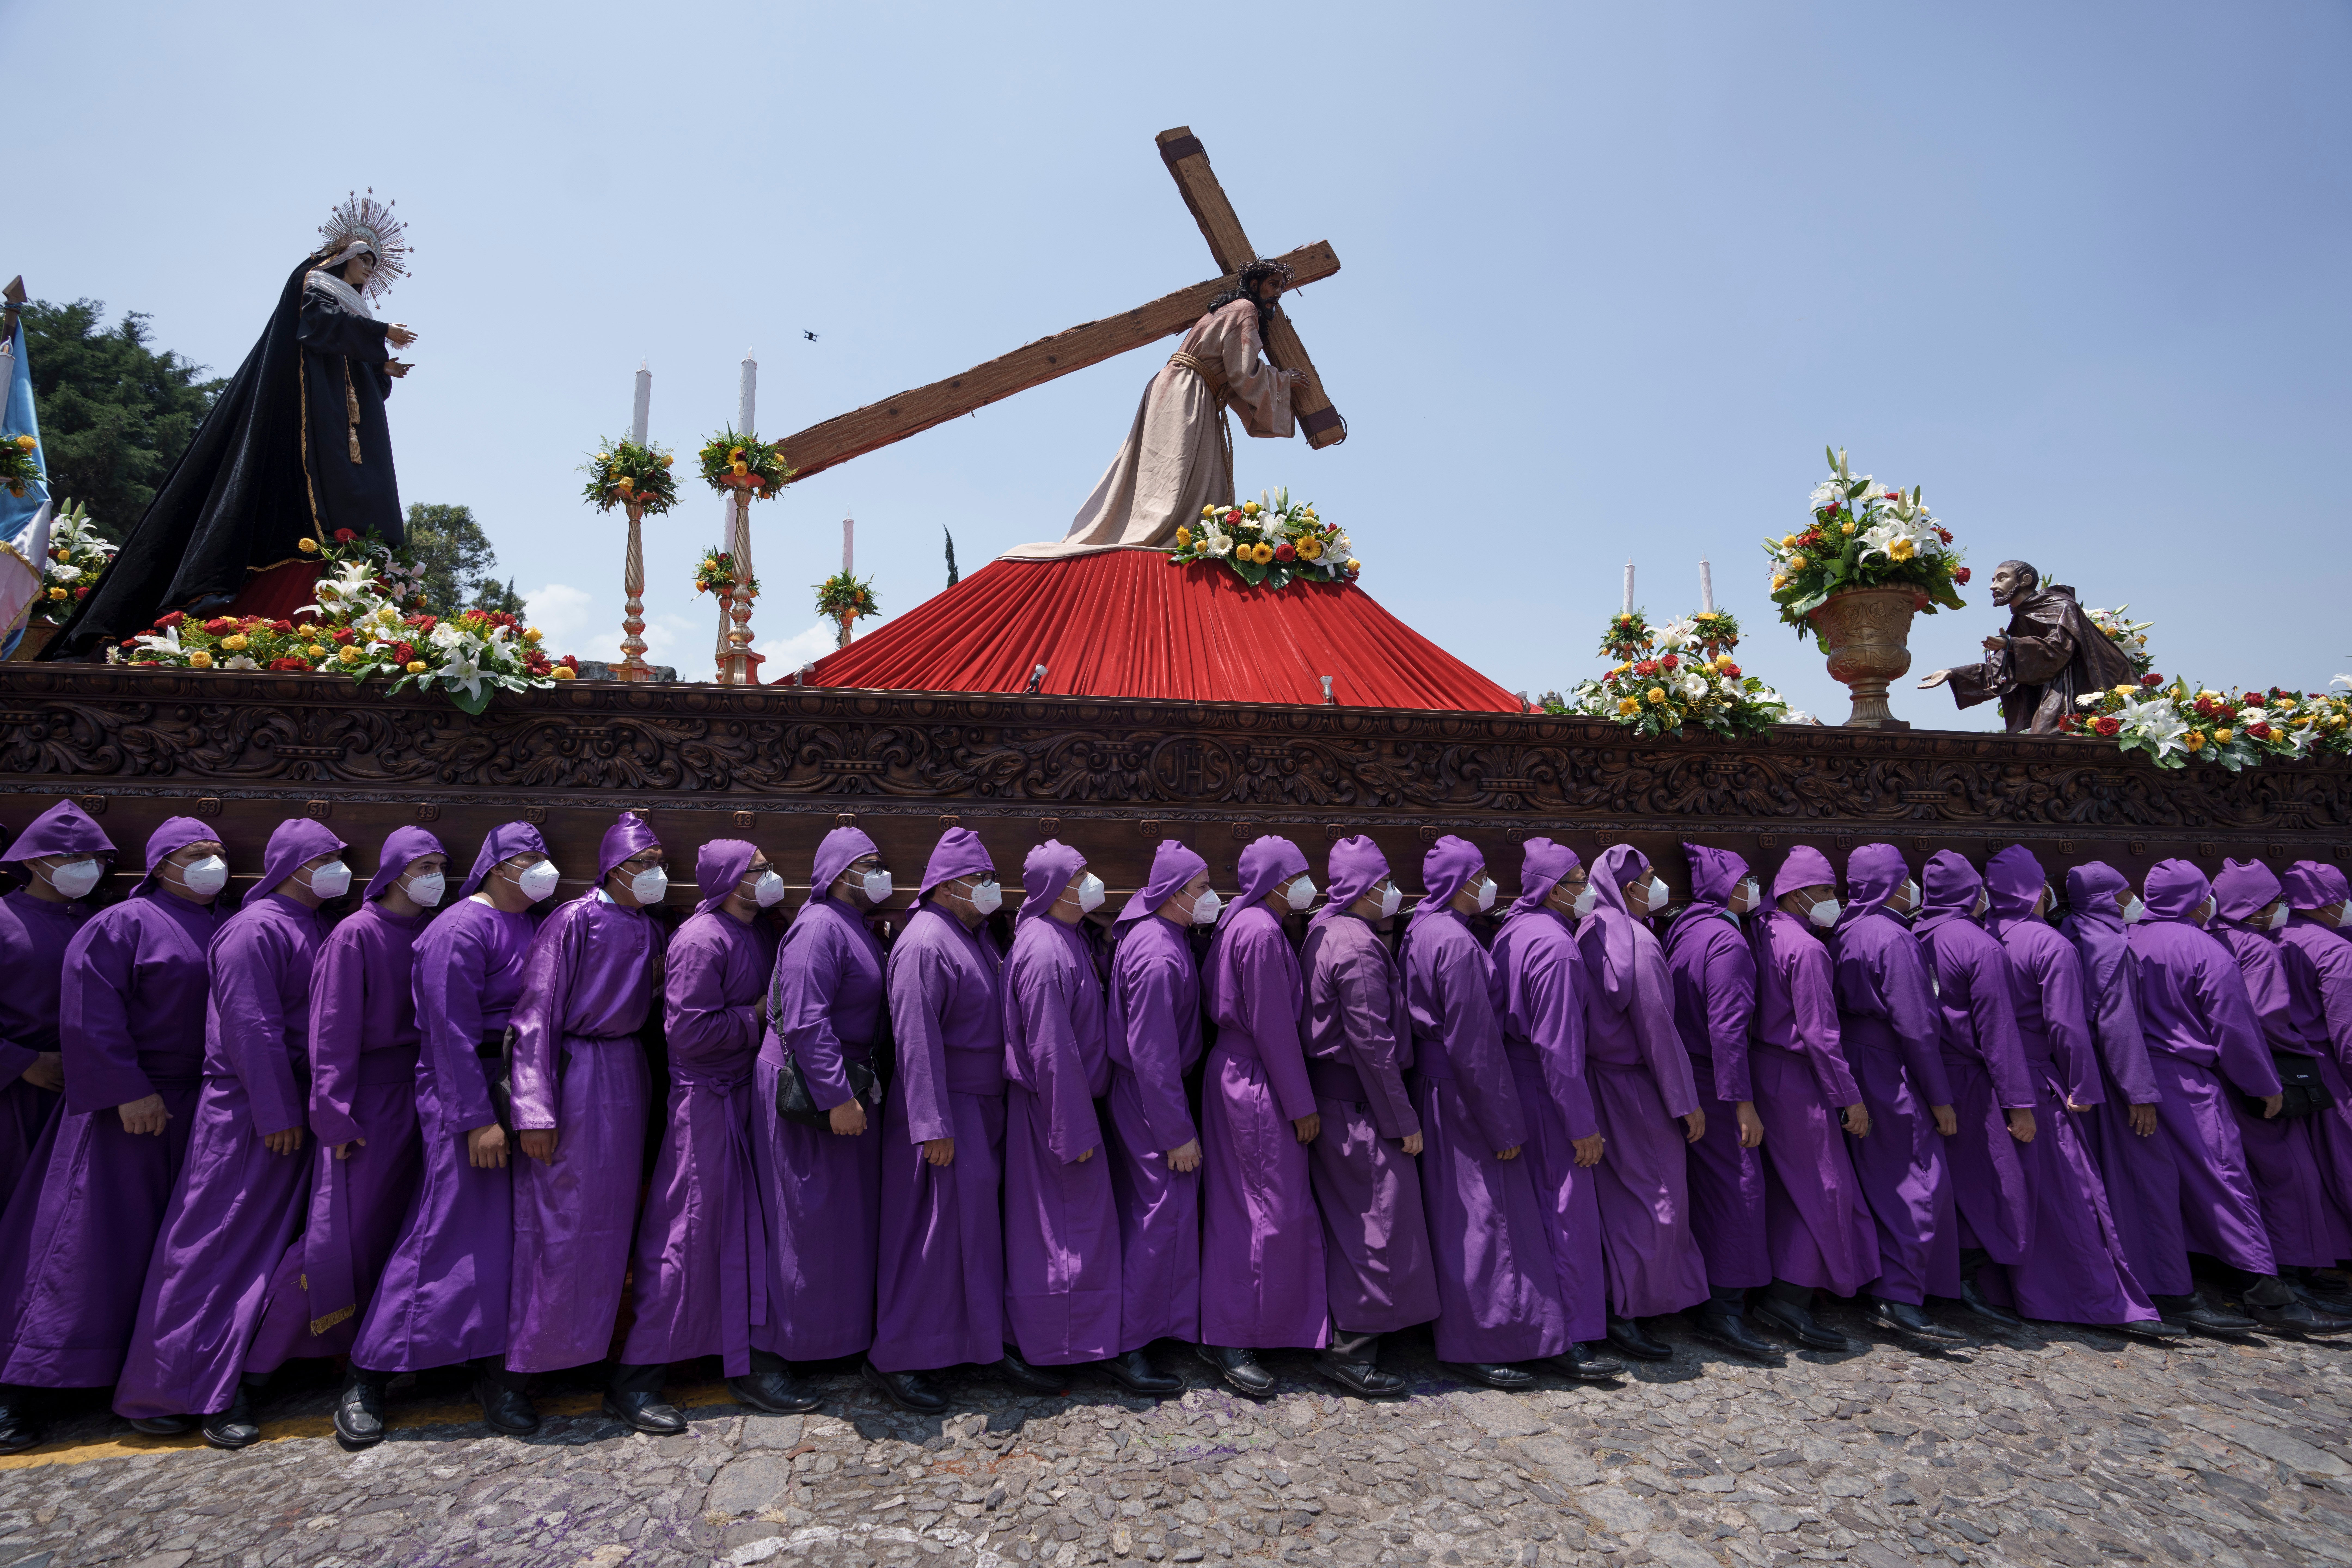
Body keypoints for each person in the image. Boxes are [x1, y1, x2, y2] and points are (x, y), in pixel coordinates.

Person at [49, 195, 419, 656]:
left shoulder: (354, 310)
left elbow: (344, 357)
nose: (370, 267)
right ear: (343, 255)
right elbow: (316, 327)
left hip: (348, 424)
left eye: (375, 261)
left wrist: (379, 368)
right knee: (319, 494)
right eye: (365, 257)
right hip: (308, 422)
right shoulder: (316, 284)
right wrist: (380, 333)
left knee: (364, 494)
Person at [114, 816, 350, 1448]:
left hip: (295, 1102)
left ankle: (231, 1378)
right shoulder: (253, 929)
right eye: (327, 857)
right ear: (298, 865)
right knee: (212, 1247)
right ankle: (169, 1388)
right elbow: (251, 1029)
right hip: (249, 1111)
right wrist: (276, 1112)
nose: (339, 867)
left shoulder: (316, 923)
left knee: (266, 1251)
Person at [0, 818, 222, 1455]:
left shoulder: (224, 920)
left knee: (166, 1247)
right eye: (195, 854)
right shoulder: (121, 923)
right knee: (81, 1244)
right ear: (161, 863)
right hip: (126, 1104)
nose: (210, 862)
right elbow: (90, 1011)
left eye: (217, 853)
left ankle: (137, 1375)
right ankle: (19, 1385)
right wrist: (126, 1088)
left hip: (196, 1102)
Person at [343, 824, 559, 1445]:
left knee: (510, 1239)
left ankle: (495, 1368)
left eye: (544, 858)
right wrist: (476, 1119)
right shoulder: (461, 927)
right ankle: (370, 1372)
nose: (539, 868)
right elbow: (447, 1032)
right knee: (443, 1229)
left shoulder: (536, 924)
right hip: (468, 1087)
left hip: (522, 1082)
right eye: (527, 859)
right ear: (496, 866)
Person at [615, 839, 821, 1421]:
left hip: (742, 1099)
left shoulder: (756, 932)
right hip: (704, 1106)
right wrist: (753, 1017)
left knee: (748, 1236)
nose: (772, 877)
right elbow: (687, 1032)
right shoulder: (700, 940)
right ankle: (637, 1378)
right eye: (762, 870)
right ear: (734, 880)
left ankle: (748, 1362)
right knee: (687, 1236)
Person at [867, 828, 1062, 1410]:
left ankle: (978, 1344)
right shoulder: (926, 943)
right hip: (946, 1108)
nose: (990, 889)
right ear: (950, 886)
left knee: (973, 1232)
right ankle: (899, 1356)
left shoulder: (969, 934)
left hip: (981, 1105)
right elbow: (915, 1040)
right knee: (928, 1236)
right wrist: (931, 1124)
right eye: (980, 880)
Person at [247, 828, 446, 1392]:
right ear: (396, 872)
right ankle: (261, 1365)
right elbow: (330, 1032)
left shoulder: (431, 930)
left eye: (440, 865)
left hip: (418, 1093)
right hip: (367, 1100)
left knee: (400, 1229)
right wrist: (332, 1111)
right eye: (424, 865)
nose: (434, 876)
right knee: (342, 1236)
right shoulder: (354, 934)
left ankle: (370, 1351)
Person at [2127, 860, 2349, 1334]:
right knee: (2226, 1180)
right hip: (2191, 1079)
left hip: (2138, 1077)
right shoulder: (2207, 949)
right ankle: (2267, 1295)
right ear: (2196, 900)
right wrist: (2265, 1085)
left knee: (2163, 1187)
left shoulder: (2130, 941)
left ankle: (2191, 1283)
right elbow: (2236, 1027)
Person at [507, 812, 667, 1428]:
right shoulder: (574, 920)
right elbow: (535, 1015)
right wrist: (534, 1108)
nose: (656, 872)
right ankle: (520, 1371)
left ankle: (588, 1353)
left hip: (627, 1072)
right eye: (646, 861)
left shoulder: (647, 926)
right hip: (576, 1074)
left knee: (610, 1224)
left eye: (660, 861)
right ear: (616, 868)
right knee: (561, 1223)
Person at [1980, 848, 2175, 1339]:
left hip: (1992, 1078)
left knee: (2013, 1193)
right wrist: (2084, 1086)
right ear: (2037, 891)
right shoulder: (2051, 944)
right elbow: (2067, 1026)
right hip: (2043, 1081)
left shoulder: (1984, 934)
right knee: (2073, 1194)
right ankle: (2095, 1299)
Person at [2060, 862, 2255, 1337]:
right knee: (2150, 1187)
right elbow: (2119, 1025)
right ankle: (2169, 1290)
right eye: (2125, 891)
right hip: (2118, 1083)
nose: (2133, 901)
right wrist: (2141, 1093)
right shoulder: (2111, 947)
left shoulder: (2070, 931)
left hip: (2078, 1081)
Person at [1008, 258, 1309, 559]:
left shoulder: (1223, 312)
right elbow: (1243, 371)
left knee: (1177, 469)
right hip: (1189, 392)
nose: (1278, 293)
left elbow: (1231, 376)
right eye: (1273, 285)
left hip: (1177, 388)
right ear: (1254, 285)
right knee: (1174, 470)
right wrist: (1282, 381)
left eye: (1282, 287)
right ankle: (1160, 533)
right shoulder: (1245, 310)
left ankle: (1157, 528)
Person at [1404, 835, 1566, 1390]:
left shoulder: (1423, 928)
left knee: (1458, 1214)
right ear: (1463, 883)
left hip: (1437, 1087)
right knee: (1482, 1219)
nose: (1490, 886)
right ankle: (1484, 1338)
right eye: (1482, 876)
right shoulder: (1455, 941)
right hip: (1463, 1094)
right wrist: (1503, 1123)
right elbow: (1474, 1043)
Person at [1300, 836, 1443, 1396]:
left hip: (1340, 1100)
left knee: (1357, 1222)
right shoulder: (1356, 946)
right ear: (1367, 888)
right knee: (1375, 1224)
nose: (1393, 893)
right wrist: (1401, 1120)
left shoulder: (1324, 929)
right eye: (1385, 883)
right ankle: (1354, 1352)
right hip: (1360, 1105)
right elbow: (1372, 1043)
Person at [753, 825, 889, 1394]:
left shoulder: (852, 925)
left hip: (842, 1080)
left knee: (836, 1224)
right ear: (840, 876)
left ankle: (826, 1340)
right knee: (803, 1223)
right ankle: (775, 1357)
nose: (881, 875)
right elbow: (807, 1022)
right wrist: (837, 1096)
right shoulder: (817, 930)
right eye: (871, 865)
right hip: (812, 1086)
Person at [1486, 840, 1626, 1381]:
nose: (1586, 891)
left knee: (1532, 1213)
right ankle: (1569, 1335)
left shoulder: (1515, 931)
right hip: (1548, 1091)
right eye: (1576, 881)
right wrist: (1582, 1126)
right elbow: (1560, 1050)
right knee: (1565, 1212)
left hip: (1520, 1083)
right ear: (1552, 889)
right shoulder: (1556, 948)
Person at [1199, 835, 1328, 1393]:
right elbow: (1275, 1028)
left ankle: (1256, 1326)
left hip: (1241, 1073)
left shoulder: (1244, 922)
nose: (1307, 885)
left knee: (1249, 1207)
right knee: (1264, 1211)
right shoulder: (1260, 931)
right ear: (1279, 882)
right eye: (1298, 875)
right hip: (1255, 1081)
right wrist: (1301, 1104)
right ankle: (1234, 1335)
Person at [1741, 847, 1879, 1352]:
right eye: (1825, 892)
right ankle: (1789, 1299)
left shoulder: (1765, 930)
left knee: (1789, 1185)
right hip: (1799, 1080)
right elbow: (1821, 1035)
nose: (1834, 901)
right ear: (1798, 895)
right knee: (1823, 1188)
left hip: (1766, 1071)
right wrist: (1850, 1098)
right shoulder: (1809, 950)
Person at [1829, 845, 1966, 1345]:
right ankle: (1900, 1294)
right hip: (1891, 1067)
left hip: (1854, 1060)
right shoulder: (1894, 938)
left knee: (1872, 1177)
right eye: (1906, 879)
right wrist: (1940, 1096)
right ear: (1893, 885)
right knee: (1916, 1179)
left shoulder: (1843, 930)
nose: (1913, 890)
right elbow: (1918, 1025)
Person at [1577, 844, 1708, 1362]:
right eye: (1650, 877)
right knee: (1657, 1198)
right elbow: (1658, 1029)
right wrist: (1685, 1102)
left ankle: (1617, 1302)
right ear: (1630, 887)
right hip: (1637, 1086)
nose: (1657, 885)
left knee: (1615, 1198)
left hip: (1598, 1082)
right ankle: (1635, 1310)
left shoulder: (1590, 929)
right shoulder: (1642, 942)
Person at [1000, 840, 1123, 1378]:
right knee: (1062, 1234)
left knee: (1067, 1231)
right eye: (1082, 876)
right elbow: (1052, 1047)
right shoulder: (1046, 950)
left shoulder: (1062, 937)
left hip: (1060, 1105)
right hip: (1055, 1111)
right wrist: (1072, 1128)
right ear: (1059, 889)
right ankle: (1060, 1347)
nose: (1092, 884)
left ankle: (1072, 1340)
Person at [2207, 859, 2352, 1305]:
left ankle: (2316, 1260)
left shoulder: (2256, 938)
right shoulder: (2333, 949)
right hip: (2317, 1068)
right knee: (2328, 1169)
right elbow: (2345, 1029)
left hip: (2263, 1071)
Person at [1099, 840, 1213, 1396]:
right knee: (1155, 1215)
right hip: (1150, 1098)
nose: (1210, 898)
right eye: (1202, 889)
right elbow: (1153, 1054)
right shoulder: (1159, 954)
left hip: (1149, 1092)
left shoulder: (1160, 937)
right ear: (1174, 894)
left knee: (1159, 1212)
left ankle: (1155, 1327)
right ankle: (1130, 1346)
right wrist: (1176, 1133)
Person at [1656, 845, 1778, 1359]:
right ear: (1729, 886)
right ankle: (1725, 1310)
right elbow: (1729, 1030)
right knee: (1738, 1189)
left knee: (1704, 1189)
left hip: (1688, 1076)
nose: (1755, 887)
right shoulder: (1727, 942)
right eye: (1748, 878)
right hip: (1718, 1079)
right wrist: (1743, 1103)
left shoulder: (1685, 929)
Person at [1910, 852, 2037, 1329]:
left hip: (1923, 1075)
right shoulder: (1980, 945)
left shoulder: (1914, 934)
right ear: (1971, 892)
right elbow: (1999, 1032)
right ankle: (1963, 1281)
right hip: (1972, 1081)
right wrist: (2019, 1104)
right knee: (1991, 1186)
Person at [0, 801, 117, 1191]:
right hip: (16, 1091)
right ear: (33, 862)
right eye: (71, 856)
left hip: (87, 1094)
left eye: (95, 857)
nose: (87, 866)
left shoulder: (107, 923)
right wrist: (22, 1063)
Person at [1915, 559, 2136, 733]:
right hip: (2051, 688)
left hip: (2077, 689)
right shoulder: (2024, 617)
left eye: (2002, 579)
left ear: (2025, 580)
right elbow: (2003, 669)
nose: (1993, 586)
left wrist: (2011, 643)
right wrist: (1953, 673)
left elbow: (2059, 650)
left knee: (2045, 740)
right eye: (1993, 580)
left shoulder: (2061, 607)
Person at [2278, 860, 2352, 1253]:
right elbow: (2348, 1030)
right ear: (2328, 903)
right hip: (2331, 1070)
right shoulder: (2336, 951)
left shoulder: (2276, 938)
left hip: (2286, 1066)